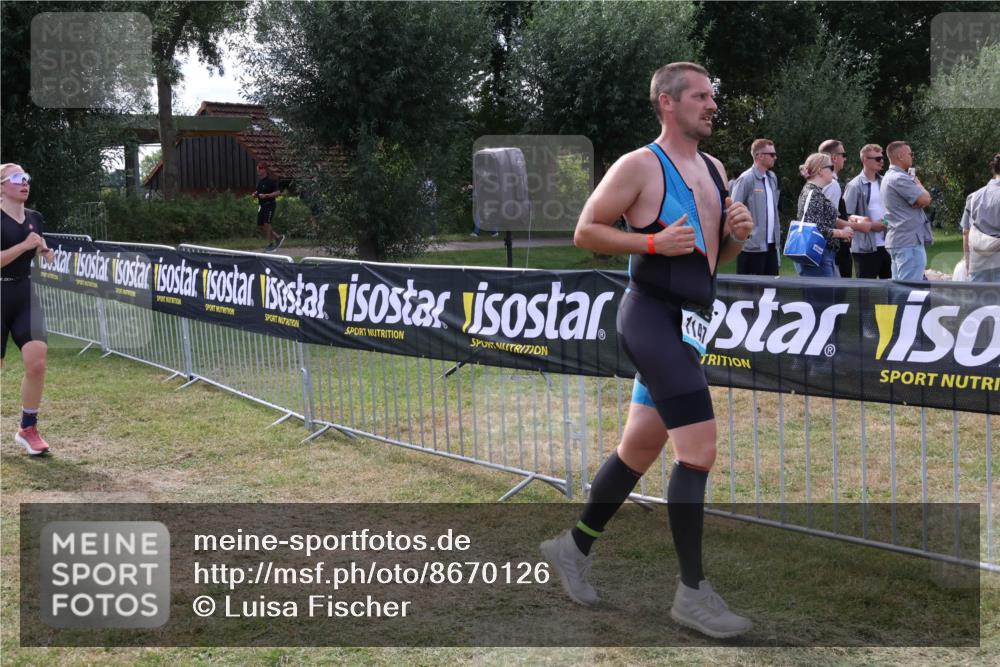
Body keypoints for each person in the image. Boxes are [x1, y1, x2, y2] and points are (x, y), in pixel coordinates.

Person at [539, 62, 755, 639]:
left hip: (690, 325)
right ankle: (692, 595)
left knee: (638, 448)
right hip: (651, 319)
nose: (712, 105)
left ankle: (572, 548)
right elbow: (586, 230)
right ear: (668, 102)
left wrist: (737, 234)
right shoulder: (640, 165)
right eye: (700, 96)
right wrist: (652, 242)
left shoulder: (715, 169)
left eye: (712, 95)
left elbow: (715, 258)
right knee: (699, 451)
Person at [1, 163, 56, 456]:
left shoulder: (35, 217)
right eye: (16, 178)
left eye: (26, 177)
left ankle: (28, 428)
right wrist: (25, 246)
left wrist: (43, 250)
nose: (24, 182)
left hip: (24, 294)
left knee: (37, 363)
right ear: (1, 187)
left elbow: (36, 242)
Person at [793, 153, 857, 278]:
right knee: (825, 291)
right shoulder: (813, 193)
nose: (833, 171)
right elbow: (814, 228)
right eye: (831, 167)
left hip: (821, 254)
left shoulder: (814, 191)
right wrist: (841, 233)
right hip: (817, 255)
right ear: (820, 171)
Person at [882, 141, 932, 281]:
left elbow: (919, 202)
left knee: (899, 288)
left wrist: (918, 201)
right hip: (908, 242)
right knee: (910, 288)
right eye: (911, 154)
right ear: (900, 156)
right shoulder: (900, 178)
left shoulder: (888, 176)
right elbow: (926, 200)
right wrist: (918, 184)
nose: (912, 157)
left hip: (900, 240)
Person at [731, 138, 781, 275]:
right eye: (772, 154)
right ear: (759, 156)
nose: (775, 157)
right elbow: (733, 211)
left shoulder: (772, 178)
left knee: (771, 287)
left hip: (771, 246)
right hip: (751, 248)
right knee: (750, 288)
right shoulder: (746, 178)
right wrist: (746, 236)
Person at [844, 144, 892, 279]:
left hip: (888, 244)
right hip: (865, 248)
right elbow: (846, 216)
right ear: (865, 159)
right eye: (877, 159)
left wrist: (885, 223)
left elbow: (893, 210)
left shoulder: (885, 182)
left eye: (882, 158)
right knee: (866, 289)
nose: (881, 161)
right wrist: (870, 225)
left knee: (891, 287)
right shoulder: (854, 185)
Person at [819, 139, 854, 278]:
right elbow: (829, 219)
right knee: (836, 289)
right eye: (843, 155)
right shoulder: (832, 184)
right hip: (830, 248)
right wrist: (854, 227)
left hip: (823, 246)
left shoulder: (817, 180)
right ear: (834, 158)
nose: (845, 158)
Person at [966, 152, 1000, 283]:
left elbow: (966, 231)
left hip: (978, 261)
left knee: (978, 295)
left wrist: (967, 262)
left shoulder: (974, 196)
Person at [255, 162, 284, 252]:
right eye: (258, 168)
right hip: (261, 205)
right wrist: (255, 194)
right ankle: (278, 237)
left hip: (269, 204)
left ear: (265, 170)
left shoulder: (271, 181)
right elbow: (258, 192)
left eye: (260, 168)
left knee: (267, 223)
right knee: (260, 225)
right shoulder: (260, 182)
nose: (258, 170)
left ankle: (271, 245)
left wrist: (266, 195)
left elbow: (278, 193)